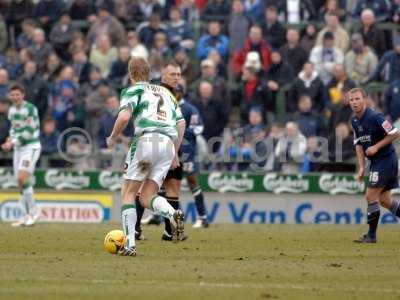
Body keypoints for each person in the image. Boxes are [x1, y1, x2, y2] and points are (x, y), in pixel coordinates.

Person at [106, 57, 186, 256]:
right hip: (167, 145)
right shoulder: (166, 93)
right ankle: (172, 213)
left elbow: (124, 117)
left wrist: (113, 137)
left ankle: (130, 244)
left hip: (146, 142)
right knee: (147, 196)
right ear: (149, 73)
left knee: (128, 193)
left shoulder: (133, 90)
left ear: (131, 73)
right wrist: (175, 152)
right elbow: (181, 123)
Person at [350, 87, 400, 243]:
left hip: (386, 160)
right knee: (385, 200)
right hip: (377, 162)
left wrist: (377, 147)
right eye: (351, 100)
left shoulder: (375, 117)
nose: (354, 102)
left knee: (370, 195)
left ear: (364, 99)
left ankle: (371, 236)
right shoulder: (354, 120)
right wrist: (362, 166)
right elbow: (359, 143)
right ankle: (371, 235)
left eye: (357, 99)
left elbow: (395, 132)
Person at [1, 84, 41, 227]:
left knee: (22, 178)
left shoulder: (30, 109)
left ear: (23, 95)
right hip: (18, 149)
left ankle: (35, 213)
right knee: (20, 182)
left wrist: (12, 142)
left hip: (31, 147)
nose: (15, 97)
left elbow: (29, 131)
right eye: (13, 95)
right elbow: (14, 128)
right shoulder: (11, 110)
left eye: (17, 94)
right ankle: (25, 216)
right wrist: (10, 139)